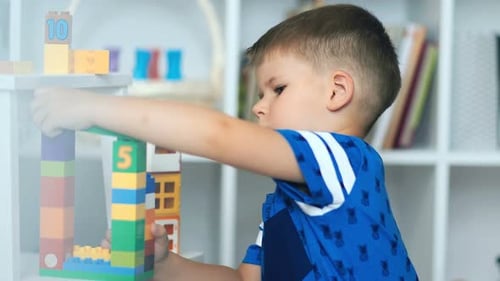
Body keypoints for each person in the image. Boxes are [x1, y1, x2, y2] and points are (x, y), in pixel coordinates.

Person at [32, 4, 419, 281]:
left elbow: (218, 136)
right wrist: (166, 266)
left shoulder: (346, 160)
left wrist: (93, 108)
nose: (258, 107)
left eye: (277, 89)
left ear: (337, 92)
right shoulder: (287, 206)